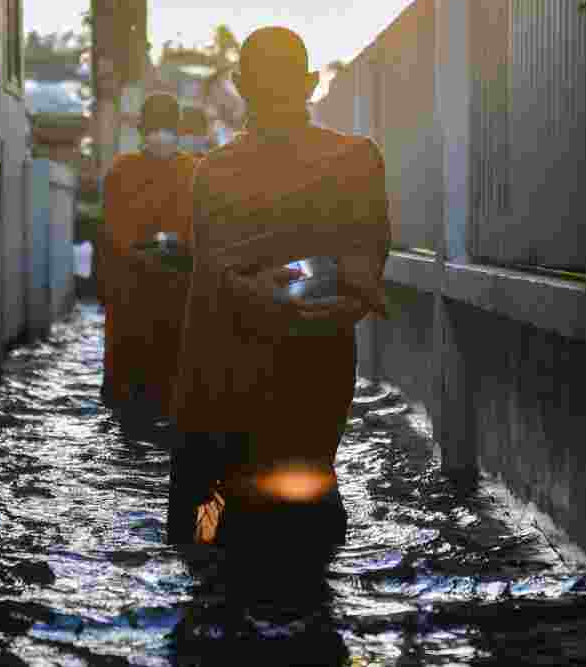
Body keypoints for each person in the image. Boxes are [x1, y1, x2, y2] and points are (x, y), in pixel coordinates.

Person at [167, 27, 391, 551]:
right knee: (309, 507)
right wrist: (322, 304)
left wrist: (264, 296)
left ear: (242, 87)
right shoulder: (357, 160)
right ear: (311, 83)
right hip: (316, 371)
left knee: (213, 530)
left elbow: (209, 288)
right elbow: (364, 272)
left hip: (228, 379)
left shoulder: (214, 173)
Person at [97, 93, 200, 422]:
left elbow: (203, 231)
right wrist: (143, 254)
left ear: (178, 131)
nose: (160, 134)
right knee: (131, 400)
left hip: (176, 292)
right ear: (143, 132)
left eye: (166, 127)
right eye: (155, 127)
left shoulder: (196, 172)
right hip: (134, 296)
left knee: (174, 393)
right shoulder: (121, 172)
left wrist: (179, 249)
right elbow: (113, 231)